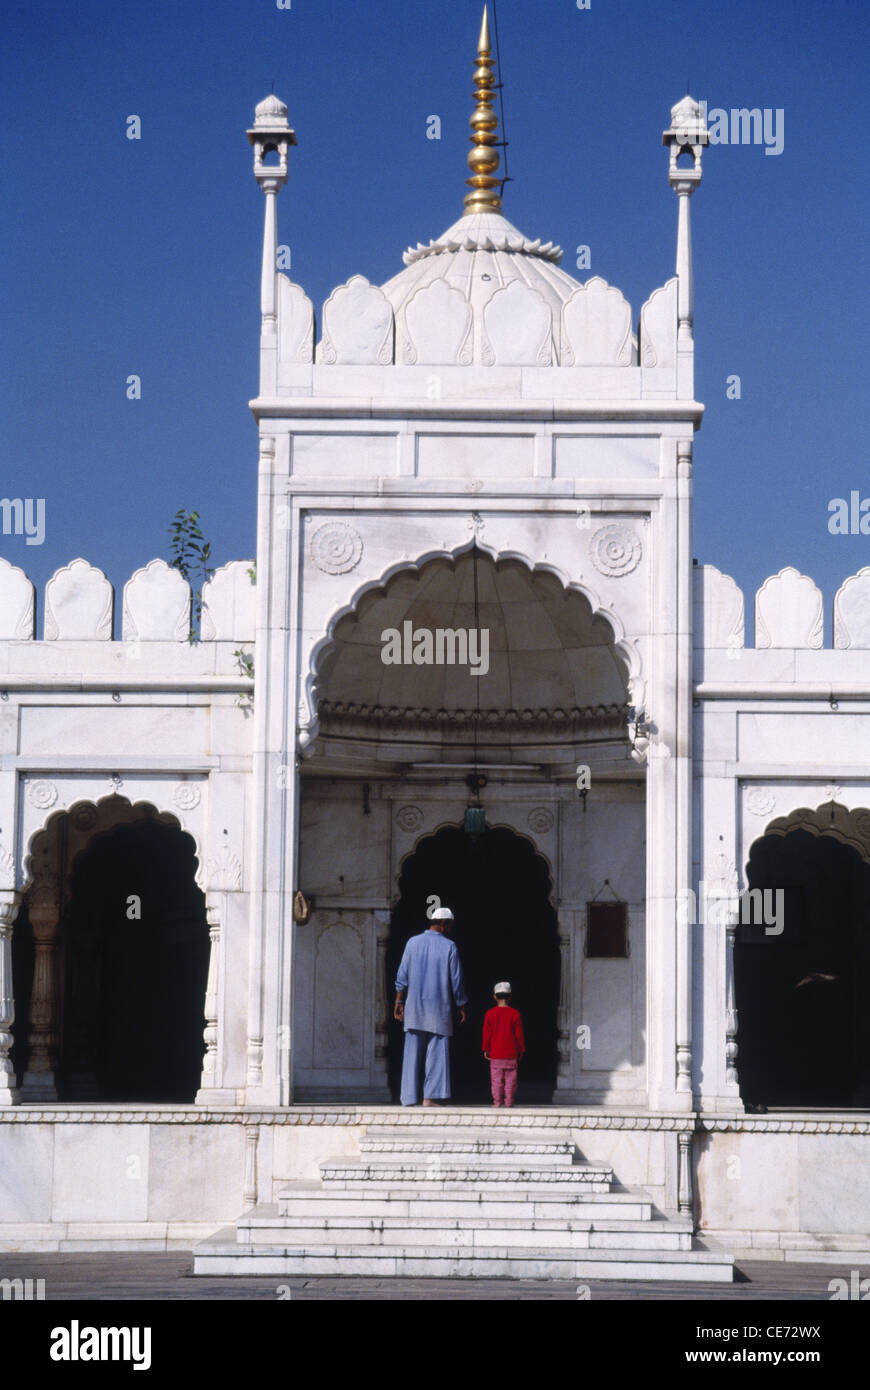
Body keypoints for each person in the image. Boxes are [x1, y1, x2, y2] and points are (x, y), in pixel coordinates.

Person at [394, 907, 467, 1106]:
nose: (450, 929)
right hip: (438, 1010)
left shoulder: (412, 942)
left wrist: (399, 1001)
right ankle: (430, 1097)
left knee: (411, 1055)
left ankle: (408, 1097)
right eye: (449, 925)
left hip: (415, 1008)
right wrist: (461, 1004)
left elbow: (402, 975)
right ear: (443, 925)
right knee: (436, 1054)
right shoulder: (449, 946)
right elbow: (456, 980)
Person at [482, 981, 525, 1108]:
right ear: (510, 996)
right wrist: (521, 1050)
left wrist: (486, 1048)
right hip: (511, 1054)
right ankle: (509, 1102)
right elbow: (519, 1035)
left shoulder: (490, 1014)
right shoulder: (515, 1014)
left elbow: (486, 1034)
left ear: (495, 996)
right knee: (511, 1081)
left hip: (495, 1053)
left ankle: (497, 1102)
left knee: (496, 1081)